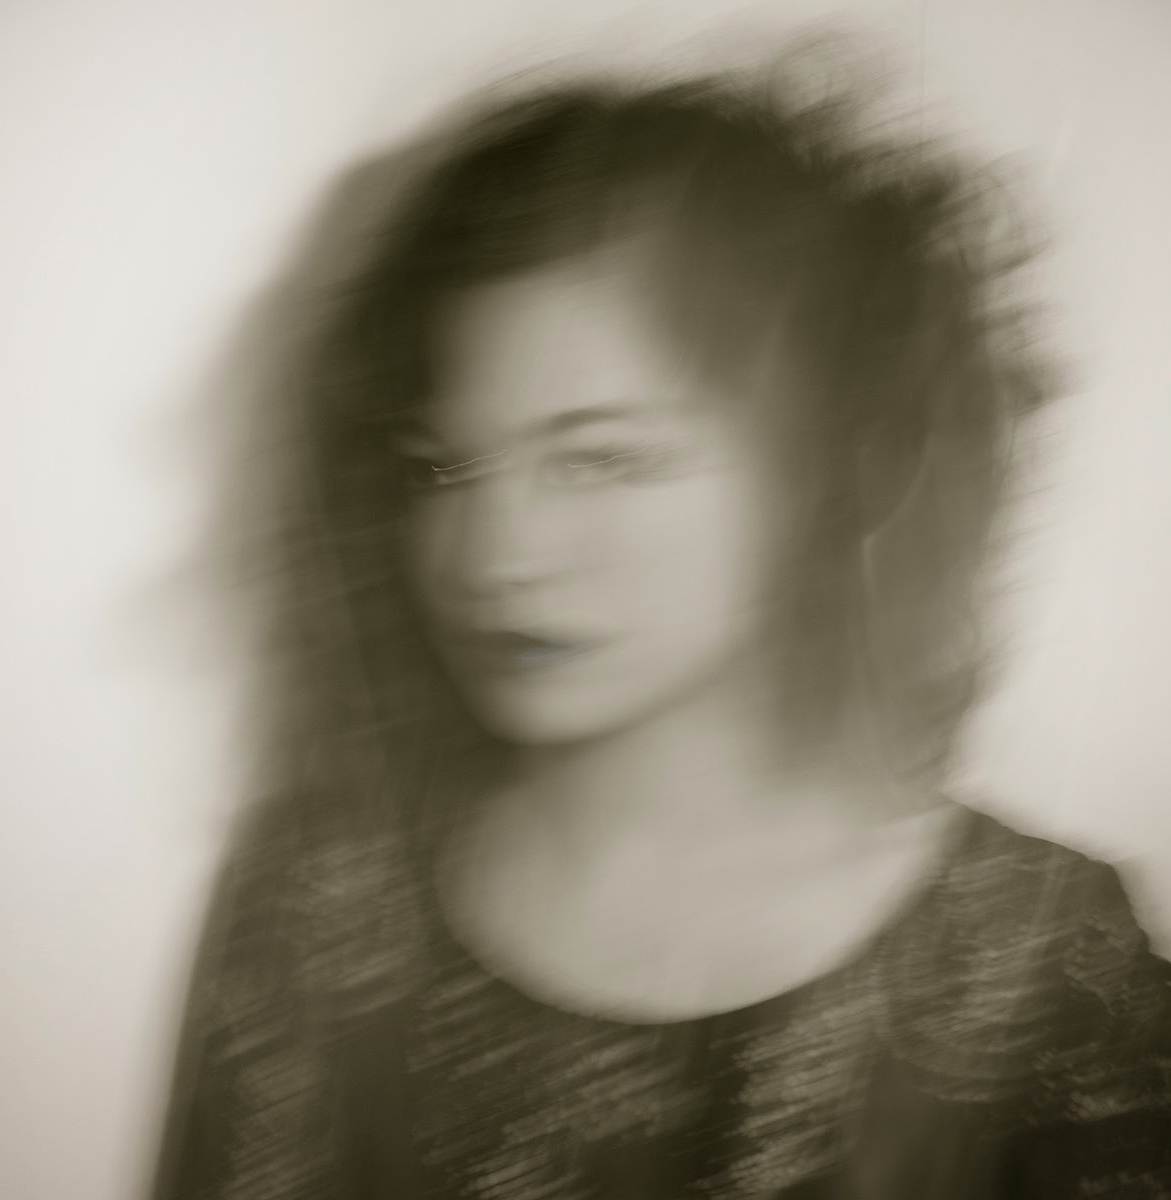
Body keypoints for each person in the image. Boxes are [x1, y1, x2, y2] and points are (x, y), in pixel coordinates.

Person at [150, 63, 1171, 1200]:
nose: (494, 554)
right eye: (444, 468)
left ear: (831, 470)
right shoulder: (313, 901)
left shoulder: (1048, 966)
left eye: (603, 459)